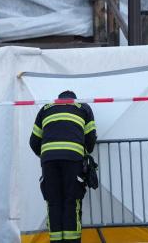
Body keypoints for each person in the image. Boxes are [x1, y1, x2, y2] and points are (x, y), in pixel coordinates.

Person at [30, 90, 96, 243]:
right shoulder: (83, 108)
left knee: (53, 202)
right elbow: (91, 139)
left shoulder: (45, 109)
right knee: (71, 201)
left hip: (49, 161)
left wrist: (48, 155)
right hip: (73, 160)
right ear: (74, 100)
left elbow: (34, 142)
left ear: (58, 100)